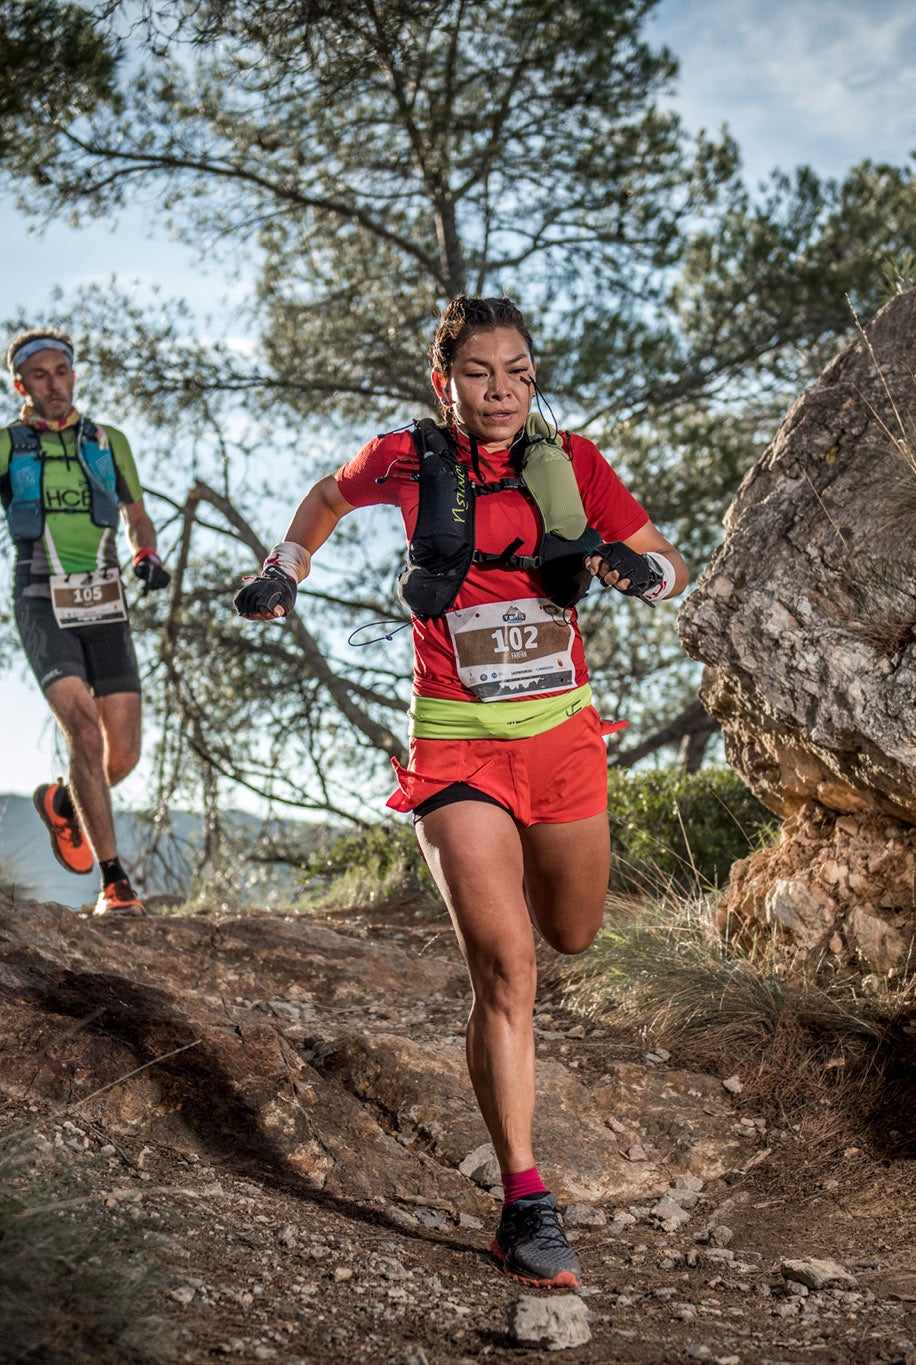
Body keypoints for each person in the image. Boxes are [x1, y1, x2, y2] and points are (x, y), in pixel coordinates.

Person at [233, 296, 689, 1288]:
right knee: (506, 968)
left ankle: (514, 922)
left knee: (570, 934)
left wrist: (634, 571)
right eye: (479, 372)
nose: (499, 391)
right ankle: (526, 1205)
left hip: (563, 741)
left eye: (517, 372)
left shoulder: (576, 463)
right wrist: (286, 568)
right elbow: (322, 497)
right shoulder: (401, 457)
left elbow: (670, 561)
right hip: (456, 750)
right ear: (443, 379)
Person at [0, 328, 172, 916]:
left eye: (61, 372)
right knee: (83, 732)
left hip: (105, 599)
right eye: (39, 375)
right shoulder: (2, 447)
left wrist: (146, 554)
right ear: (21, 385)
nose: (54, 384)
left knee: (123, 755)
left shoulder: (108, 442)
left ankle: (64, 807)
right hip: (41, 599)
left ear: (73, 375)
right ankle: (115, 883)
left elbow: (137, 516)